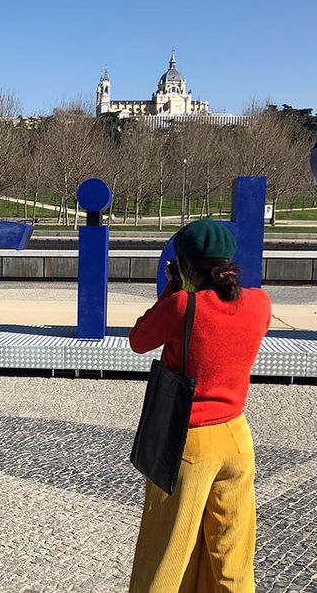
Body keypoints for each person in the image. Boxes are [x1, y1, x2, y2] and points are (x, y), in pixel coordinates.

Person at [127, 219, 271, 592]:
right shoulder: (260, 303)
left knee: (168, 549)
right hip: (237, 438)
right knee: (231, 550)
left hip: (189, 444)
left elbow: (139, 340)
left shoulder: (182, 306)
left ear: (186, 265)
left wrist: (174, 286)